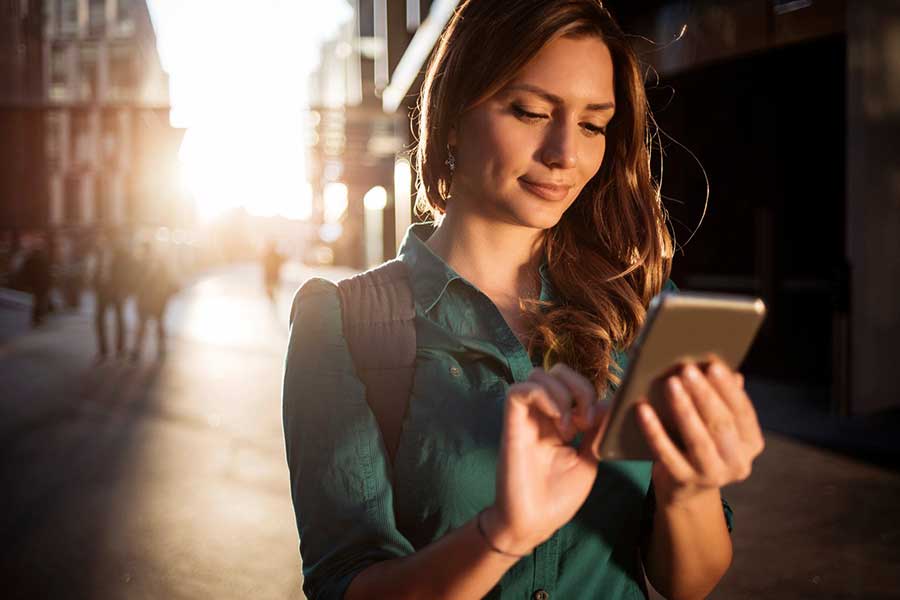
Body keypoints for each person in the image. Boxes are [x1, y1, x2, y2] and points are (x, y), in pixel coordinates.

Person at [283, 2, 765, 599]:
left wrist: (687, 488)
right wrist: (501, 535)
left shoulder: (638, 307)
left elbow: (688, 584)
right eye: (532, 111)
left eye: (593, 124)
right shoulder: (342, 324)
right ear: (453, 117)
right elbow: (345, 585)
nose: (565, 152)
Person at [131, 241, 177, 361]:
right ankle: (139, 350)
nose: (142, 253)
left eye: (143, 251)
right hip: (148, 300)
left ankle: (158, 350)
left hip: (156, 300)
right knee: (145, 325)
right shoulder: (141, 265)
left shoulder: (154, 265)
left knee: (154, 324)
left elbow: (166, 282)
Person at [91, 231, 132, 361]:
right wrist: (95, 285)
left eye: (100, 238)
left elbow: (126, 273)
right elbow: (96, 272)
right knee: (98, 319)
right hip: (102, 291)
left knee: (119, 318)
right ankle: (103, 350)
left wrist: (124, 291)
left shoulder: (121, 254)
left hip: (116, 291)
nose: (98, 241)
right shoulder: (98, 253)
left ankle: (120, 348)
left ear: (107, 240)